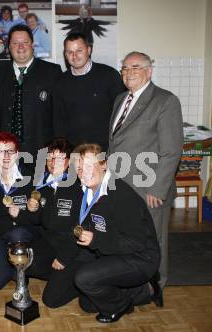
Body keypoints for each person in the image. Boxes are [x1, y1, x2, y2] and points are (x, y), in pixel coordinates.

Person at [108, 51, 183, 295]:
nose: (128, 72)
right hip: (122, 186)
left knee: (154, 240)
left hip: (149, 188)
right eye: (125, 68)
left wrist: (158, 189)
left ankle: (155, 286)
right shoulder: (121, 99)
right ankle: (134, 283)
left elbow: (172, 151)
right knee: (130, 237)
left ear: (149, 71)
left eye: (135, 67)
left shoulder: (165, 101)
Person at [70, 143, 160, 323]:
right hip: (114, 252)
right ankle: (142, 290)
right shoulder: (87, 192)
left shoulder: (120, 194)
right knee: (87, 302)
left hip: (141, 258)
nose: (83, 172)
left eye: (88, 165)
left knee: (84, 279)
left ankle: (121, 306)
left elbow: (136, 243)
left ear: (104, 164)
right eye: (78, 168)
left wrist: (96, 240)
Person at [23, 138, 84, 307]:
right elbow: (38, 222)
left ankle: (81, 281)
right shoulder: (42, 184)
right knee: (24, 262)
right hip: (51, 241)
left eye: (58, 158)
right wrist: (32, 210)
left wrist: (64, 257)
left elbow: (85, 228)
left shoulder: (80, 185)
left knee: (51, 300)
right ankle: (62, 277)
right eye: (49, 157)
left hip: (74, 248)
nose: (52, 162)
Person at [0, 24, 62, 157]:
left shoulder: (52, 72)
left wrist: (57, 148)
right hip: (5, 153)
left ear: (33, 45)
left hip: (42, 152)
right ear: (9, 47)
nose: (20, 47)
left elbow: (59, 116)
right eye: (15, 43)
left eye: (25, 42)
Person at [0, 132, 39, 290]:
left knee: (17, 233)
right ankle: (10, 263)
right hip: (0, 233)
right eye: (0, 151)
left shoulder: (31, 177)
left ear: (17, 154)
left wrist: (20, 215)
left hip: (24, 231)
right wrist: (5, 224)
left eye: (10, 151)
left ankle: (19, 265)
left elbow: (38, 218)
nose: (5, 156)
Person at [52, 32, 125, 151]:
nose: (74, 56)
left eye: (79, 50)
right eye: (70, 52)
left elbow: (122, 115)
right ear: (65, 54)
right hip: (74, 152)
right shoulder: (59, 82)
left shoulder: (110, 75)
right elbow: (58, 122)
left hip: (106, 150)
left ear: (89, 50)